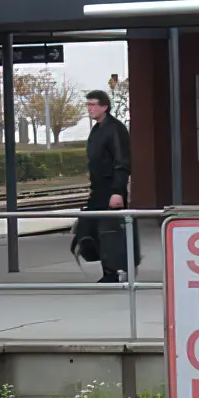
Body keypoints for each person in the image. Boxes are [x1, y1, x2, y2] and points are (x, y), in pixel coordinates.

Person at [77, 90, 132, 281]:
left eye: (93, 104)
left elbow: (121, 161)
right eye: (88, 105)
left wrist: (117, 191)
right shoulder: (97, 129)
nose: (90, 108)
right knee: (92, 228)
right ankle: (108, 268)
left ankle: (114, 271)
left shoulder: (115, 129)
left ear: (104, 107)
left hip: (111, 188)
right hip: (98, 188)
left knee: (110, 231)